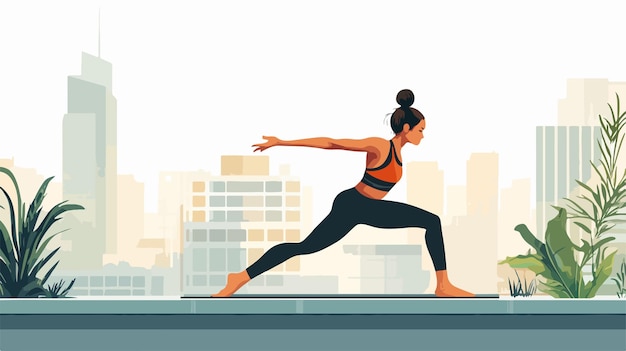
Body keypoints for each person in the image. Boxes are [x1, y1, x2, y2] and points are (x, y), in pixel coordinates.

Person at [212, 89, 474, 297]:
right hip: (352, 206)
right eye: (421, 130)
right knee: (305, 247)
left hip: (369, 208)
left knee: (431, 221)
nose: (423, 136)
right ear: (406, 129)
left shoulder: (398, 153)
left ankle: (443, 285)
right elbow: (332, 143)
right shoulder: (380, 146)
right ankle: (240, 277)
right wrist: (282, 142)